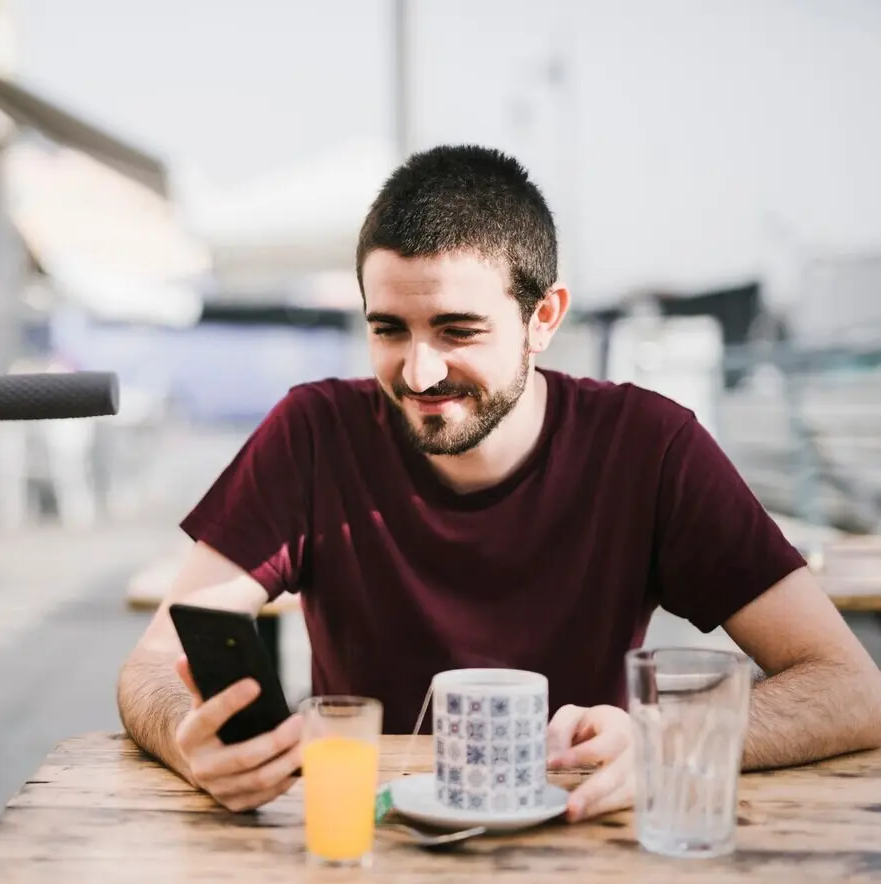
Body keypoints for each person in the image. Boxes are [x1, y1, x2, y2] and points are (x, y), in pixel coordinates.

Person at [116, 144, 881, 820]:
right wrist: (193, 745)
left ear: (543, 318)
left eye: (456, 330)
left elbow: (852, 688)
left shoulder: (651, 445)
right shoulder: (313, 431)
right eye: (388, 329)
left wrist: (663, 740)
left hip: (579, 839)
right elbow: (153, 664)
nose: (417, 372)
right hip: (370, 854)